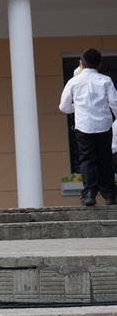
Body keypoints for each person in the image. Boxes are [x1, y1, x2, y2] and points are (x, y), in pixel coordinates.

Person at [59, 48, 117, 206]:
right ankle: (110, 195)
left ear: (82, 63)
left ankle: (90, 193)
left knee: (86, 160)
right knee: (105, 160)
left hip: (84, 126)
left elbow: (63, 107)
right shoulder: (106, 80)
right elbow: (114, 102)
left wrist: (77, 107)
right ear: (99, 64)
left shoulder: (73, 82)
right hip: (104, 126)